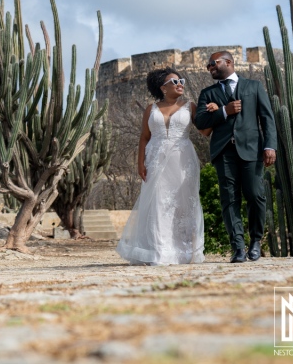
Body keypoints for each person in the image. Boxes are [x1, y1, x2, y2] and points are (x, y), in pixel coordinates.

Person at [116, 68, 211, 265]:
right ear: (163, 88)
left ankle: (186, 251)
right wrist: (140, 163)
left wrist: (215, 112)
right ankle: (160, 251)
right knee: (158, 203)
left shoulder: (190, 106)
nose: (180, 84)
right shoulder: (151, 109)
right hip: (155, 159)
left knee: (185, 203)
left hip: (183, 159)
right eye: (175, 81)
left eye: (181, 81)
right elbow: (144, 137)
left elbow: (204, 132)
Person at [193, 51, 277, 263]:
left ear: (228, 62)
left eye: (213, 64)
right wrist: (224, 111)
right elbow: (200, 122)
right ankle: (238, 247)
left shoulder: (253, 87)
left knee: (256, 195)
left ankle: (255, 241)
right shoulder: (208, 93)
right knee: (229, 200)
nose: (209, 68)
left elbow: (267, 118)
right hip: (224, 152)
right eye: (208, 66)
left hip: (252, 150)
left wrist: (270, 146)